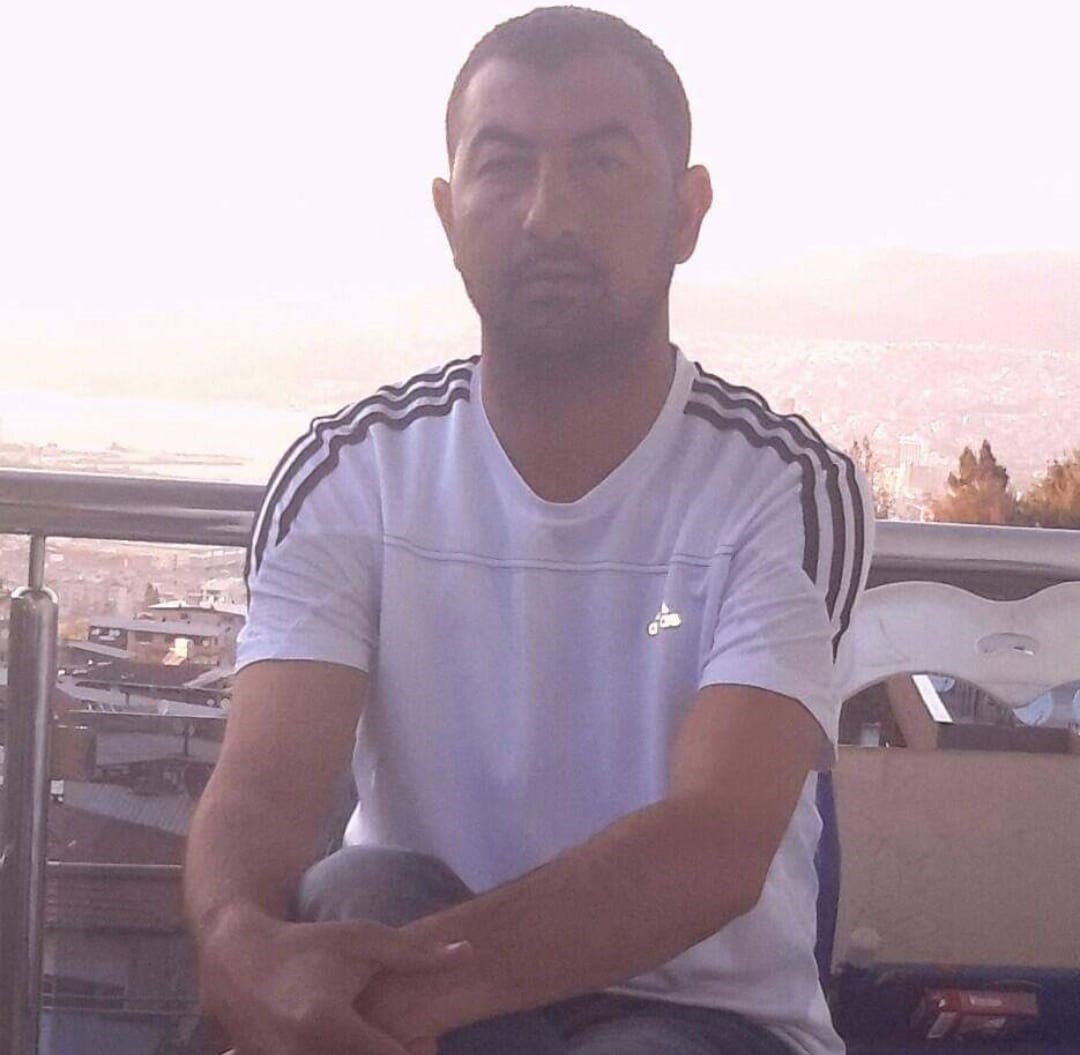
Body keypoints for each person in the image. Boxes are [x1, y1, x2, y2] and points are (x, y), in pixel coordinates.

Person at [185, 7, 873, 1055]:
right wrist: (241, 942)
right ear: (448, 211)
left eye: (601, 164)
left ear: (686, 212)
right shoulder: (351, 473)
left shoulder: (777, 485)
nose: (548, 215)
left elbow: (714, 844)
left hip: (706, 1017)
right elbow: (266, 785)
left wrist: (384, 998)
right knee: (357, 882)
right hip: (416, 952)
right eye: (504, 166)